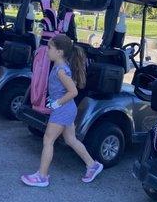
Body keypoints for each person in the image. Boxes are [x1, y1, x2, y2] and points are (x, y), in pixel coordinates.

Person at [21, 34, 103, 187]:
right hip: (67, 109)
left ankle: (42, 177)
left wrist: (57, 103)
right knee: (71, 140)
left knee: (48, 140)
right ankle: (93, 166)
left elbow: (73, 92)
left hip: (63, 110)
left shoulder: (61, 70)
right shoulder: (60, 66)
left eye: (50, 48)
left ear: (59, 52)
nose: (47, 50)